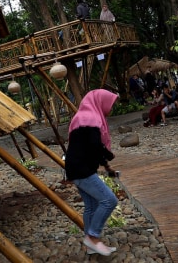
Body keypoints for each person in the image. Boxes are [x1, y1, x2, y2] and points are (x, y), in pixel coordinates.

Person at [65, 89, 119, 256]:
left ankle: (90, 247)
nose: (110, 108)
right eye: (109, 104)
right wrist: (106, 157)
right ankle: (93, 238)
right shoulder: (91, 118)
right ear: (100, 101)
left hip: (75, 168)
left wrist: (106, 164)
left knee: (91, 206)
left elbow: (91, 146)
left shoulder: (80, 117)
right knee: (109, 200)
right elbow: (96, 147)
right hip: (82, 170)